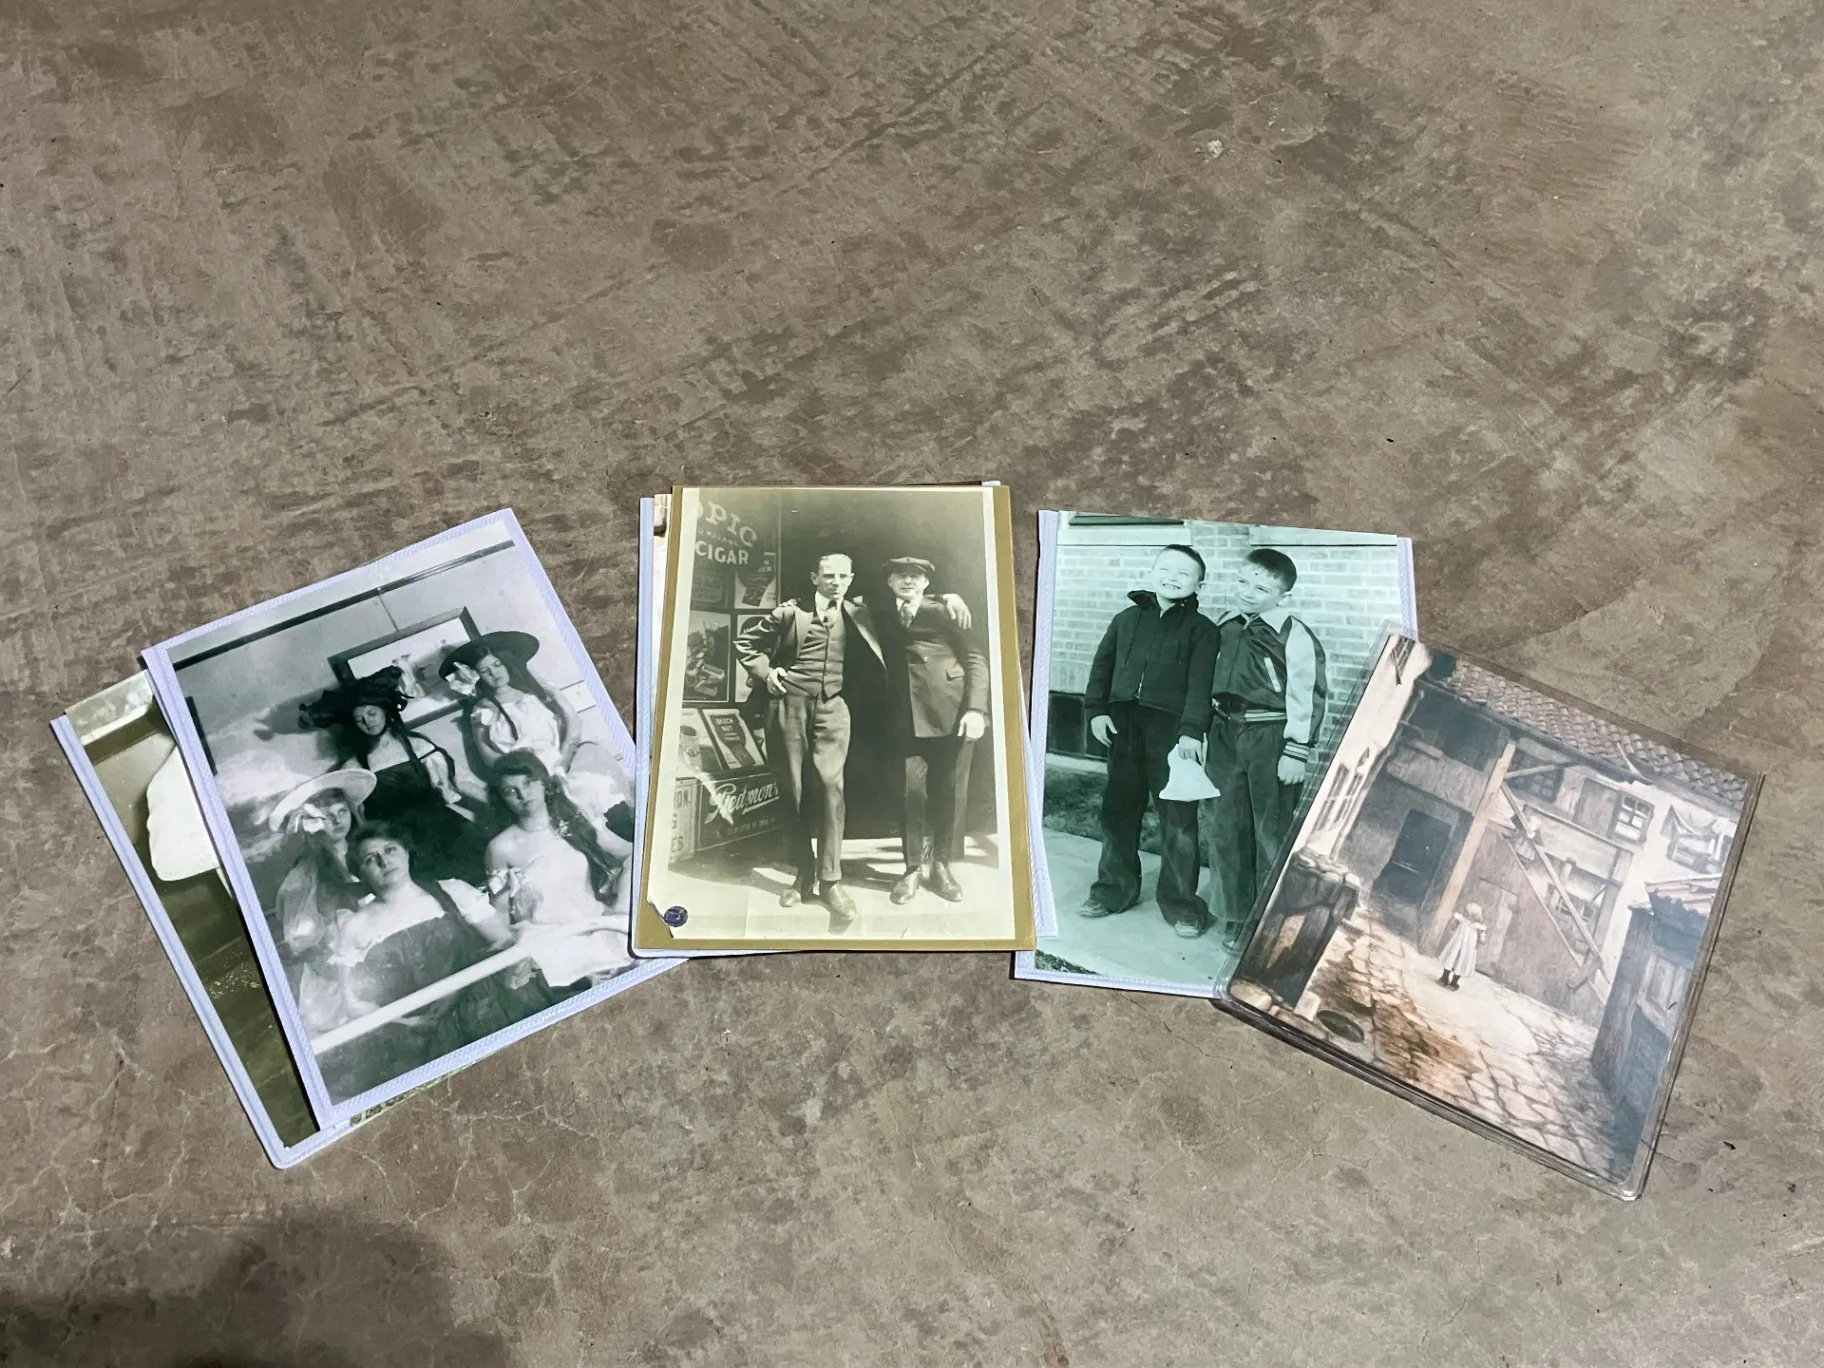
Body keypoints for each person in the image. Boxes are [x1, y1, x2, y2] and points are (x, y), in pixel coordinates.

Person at [300, 823, 522, 1100]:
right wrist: (406, 1023)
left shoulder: (452, 892)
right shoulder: (355, 926)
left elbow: (503, 942)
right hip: (416, 1035)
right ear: (361, 873)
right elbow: (352, 1000)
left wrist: (455, 990)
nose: (383, 861)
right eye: (370, 859)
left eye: (390, 849)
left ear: (406, 852)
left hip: (483, 1007)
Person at [1079, 545, 1220, 937]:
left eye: (1184, 574)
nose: (1173, 578)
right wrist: (1096, 710)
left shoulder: (1202, 630)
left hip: (1172, 731)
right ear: (1153, 572)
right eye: (1166, 569)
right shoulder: (1125, 619)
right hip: (1123, 725)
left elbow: (1201, 685)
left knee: (1178, 818)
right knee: (1119, 809)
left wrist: (1192, 730)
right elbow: (1102, 666)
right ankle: (1113, 890)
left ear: (1199, 584)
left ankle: (1181, 905)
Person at [735, 552, 877, 926]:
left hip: (834, 708)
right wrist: (767, 673)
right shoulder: (790, 614)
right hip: (788, 706)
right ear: (815, 577)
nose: (835, 582)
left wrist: (948, 599)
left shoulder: (860, 614)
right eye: (828, 575)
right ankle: (803, 873)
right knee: (793, 791)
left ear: (851, 579)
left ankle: (830, 881)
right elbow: (746, 643)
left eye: (842, 576)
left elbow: (907, 604)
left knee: (831, 788)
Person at [1203, 548, 1330, 946]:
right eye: (1243, 582)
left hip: (1270, 737)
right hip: (1225, 733)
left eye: (1261, 588)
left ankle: (1263, 920)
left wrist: (1296, 750)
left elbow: (1308, 693)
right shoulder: (1225, 624)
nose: (1248, 592)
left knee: (1268, 831)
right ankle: (1235, 914)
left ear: (1283, 595)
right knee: (1225, 826)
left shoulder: (1293, 633)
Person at [852, 555, 989, 906]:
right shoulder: (881, 610)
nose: (908, 581)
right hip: (906, 719)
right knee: (910, 794)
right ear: (889, 582)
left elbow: (975, 658)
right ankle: (912, 868)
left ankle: (941, 866)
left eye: (916, 576)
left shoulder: (945, 612)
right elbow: (852, 597)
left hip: (952, 713)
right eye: (900, 575)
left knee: (950, 792)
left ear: (926, 583)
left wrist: (976, 709)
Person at [301, 668, 488, 883]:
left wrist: (497, 806)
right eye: (359, 719)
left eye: (372, 713)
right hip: (401, 846)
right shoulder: (354, 767)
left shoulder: (417, 746)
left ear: (385, 710)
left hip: (446, 830)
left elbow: (460, 783)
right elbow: (359, 821)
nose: (368, 722)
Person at [439, 633, 633, 839]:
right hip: (526, 776)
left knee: (595, 790)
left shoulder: (533, 695)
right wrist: (519, 770)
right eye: (486, 671)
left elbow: (573, 722)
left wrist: (564, 757)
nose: (495, 674)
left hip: (562, 763)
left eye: (497, 665)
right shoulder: (482, 710)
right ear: (477, 677)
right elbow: (486, 753)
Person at [484, 751, 634, 993]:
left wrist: (620, 908)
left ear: (544, 782)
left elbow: (632, 855)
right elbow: (499, 912)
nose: (523, 794)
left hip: (596, 923)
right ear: (502, 799)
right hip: (547, 938)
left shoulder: (574, 822)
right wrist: (513, 958)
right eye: (511, 791)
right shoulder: (500, 848)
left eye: (529, 782)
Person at [266, 770, 376, 987]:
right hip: (346, 975)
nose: (337, 820)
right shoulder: (305, 874)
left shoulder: (368, 850)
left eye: (342, 811)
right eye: (325, 816)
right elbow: (307, 943)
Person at [1437, 902, 1486, 989]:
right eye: (1466, 912)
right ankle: (1444, 978)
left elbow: (1482, 938)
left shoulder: (1478, 926)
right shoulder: (1462, 920)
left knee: (1462, 961)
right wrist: (1452, 926)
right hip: (1457, 943)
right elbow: (1452, 927)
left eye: (1471, 914)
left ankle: (1454, 982)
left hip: (1468, 947)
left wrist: (1481, 940)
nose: (1466, 914)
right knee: (1451, 957)